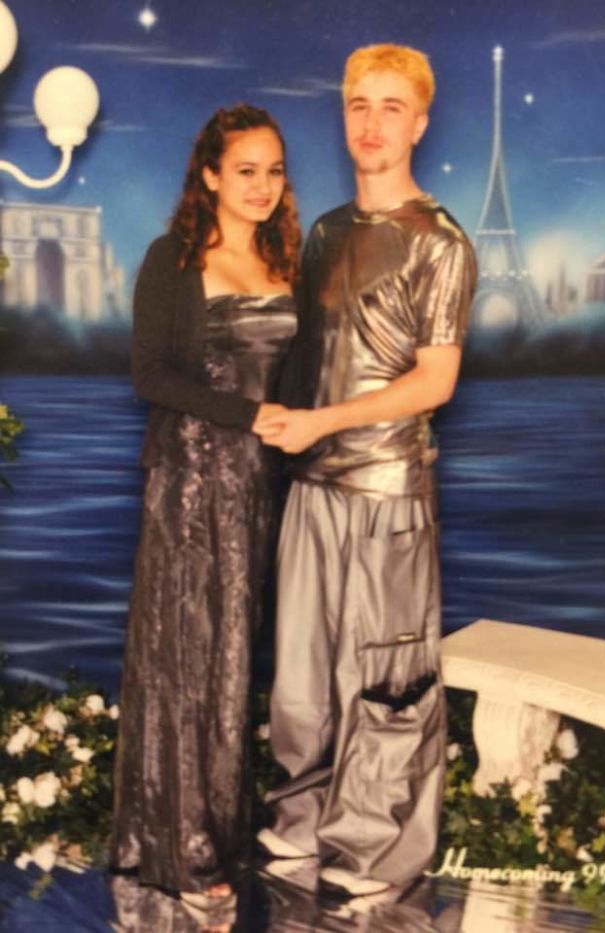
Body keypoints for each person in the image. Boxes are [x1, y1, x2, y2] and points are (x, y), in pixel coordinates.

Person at [255, 44, 477, 897]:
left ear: (419, 123)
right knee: (302, 676)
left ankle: (374, 850)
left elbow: (436, 380)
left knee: (387, 677)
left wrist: (321, 422)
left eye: (391, 107)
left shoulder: (440, 242)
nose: (372, 123)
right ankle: (302, 823)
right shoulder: (323, 233)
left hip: (386, 491)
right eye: (359, 105)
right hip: (311, 487)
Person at [111, 104, 300, 922]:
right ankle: (180, 848)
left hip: (259, 487)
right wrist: (248, 415)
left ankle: (216, 834)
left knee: (231, 658)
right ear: (212, 176)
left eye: (274, 170)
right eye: (245, 170)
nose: (262, 186)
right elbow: (149, 376)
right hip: (189, 482)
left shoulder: (286, 258)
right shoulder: (174, 257)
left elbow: (302, 378)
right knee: (186, 658)